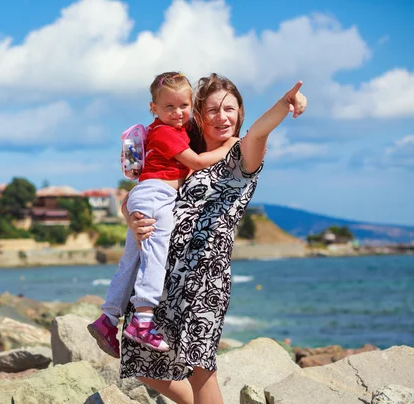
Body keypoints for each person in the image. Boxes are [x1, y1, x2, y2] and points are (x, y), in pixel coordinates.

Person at [119, 73, 307, 404]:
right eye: (214, 110)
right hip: (159, 273)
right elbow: (134, 198)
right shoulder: (182, 154)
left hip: (203, 278)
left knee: (200, 368)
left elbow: (261, 129)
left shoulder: (241, 153)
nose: (223, 117)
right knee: (141, 362)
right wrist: (132, 221)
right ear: (199, 117)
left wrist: (285, 103)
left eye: (230, 109)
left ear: (240, 113)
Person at [88, 72, 239, 357]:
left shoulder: (178, 129)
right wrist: (228, 146)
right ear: (153, 108)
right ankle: (143, 321)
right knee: (155, 256)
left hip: (145, 194)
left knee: (130, 262)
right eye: (169, 107)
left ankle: (107, 319)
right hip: (157, 195)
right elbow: (195, 161)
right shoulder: (163, 132)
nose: (178, 112)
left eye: (184, 105)